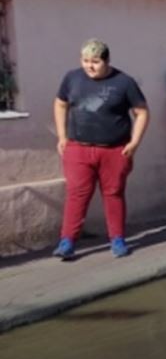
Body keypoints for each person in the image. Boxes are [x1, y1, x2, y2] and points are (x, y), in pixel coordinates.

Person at [53, 39, 149, 260]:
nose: (89, 66)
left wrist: (134, 143)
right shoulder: (72, 78)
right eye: (85, 61)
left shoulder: (124, 82)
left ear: (107, 61)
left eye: (95, 62)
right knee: (76, 194)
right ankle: (67, 241)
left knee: (113, 194)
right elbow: (60, 103)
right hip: (78, 147)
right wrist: (62, 136)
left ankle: (117, 239)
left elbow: (142, 112)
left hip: (115, 149)